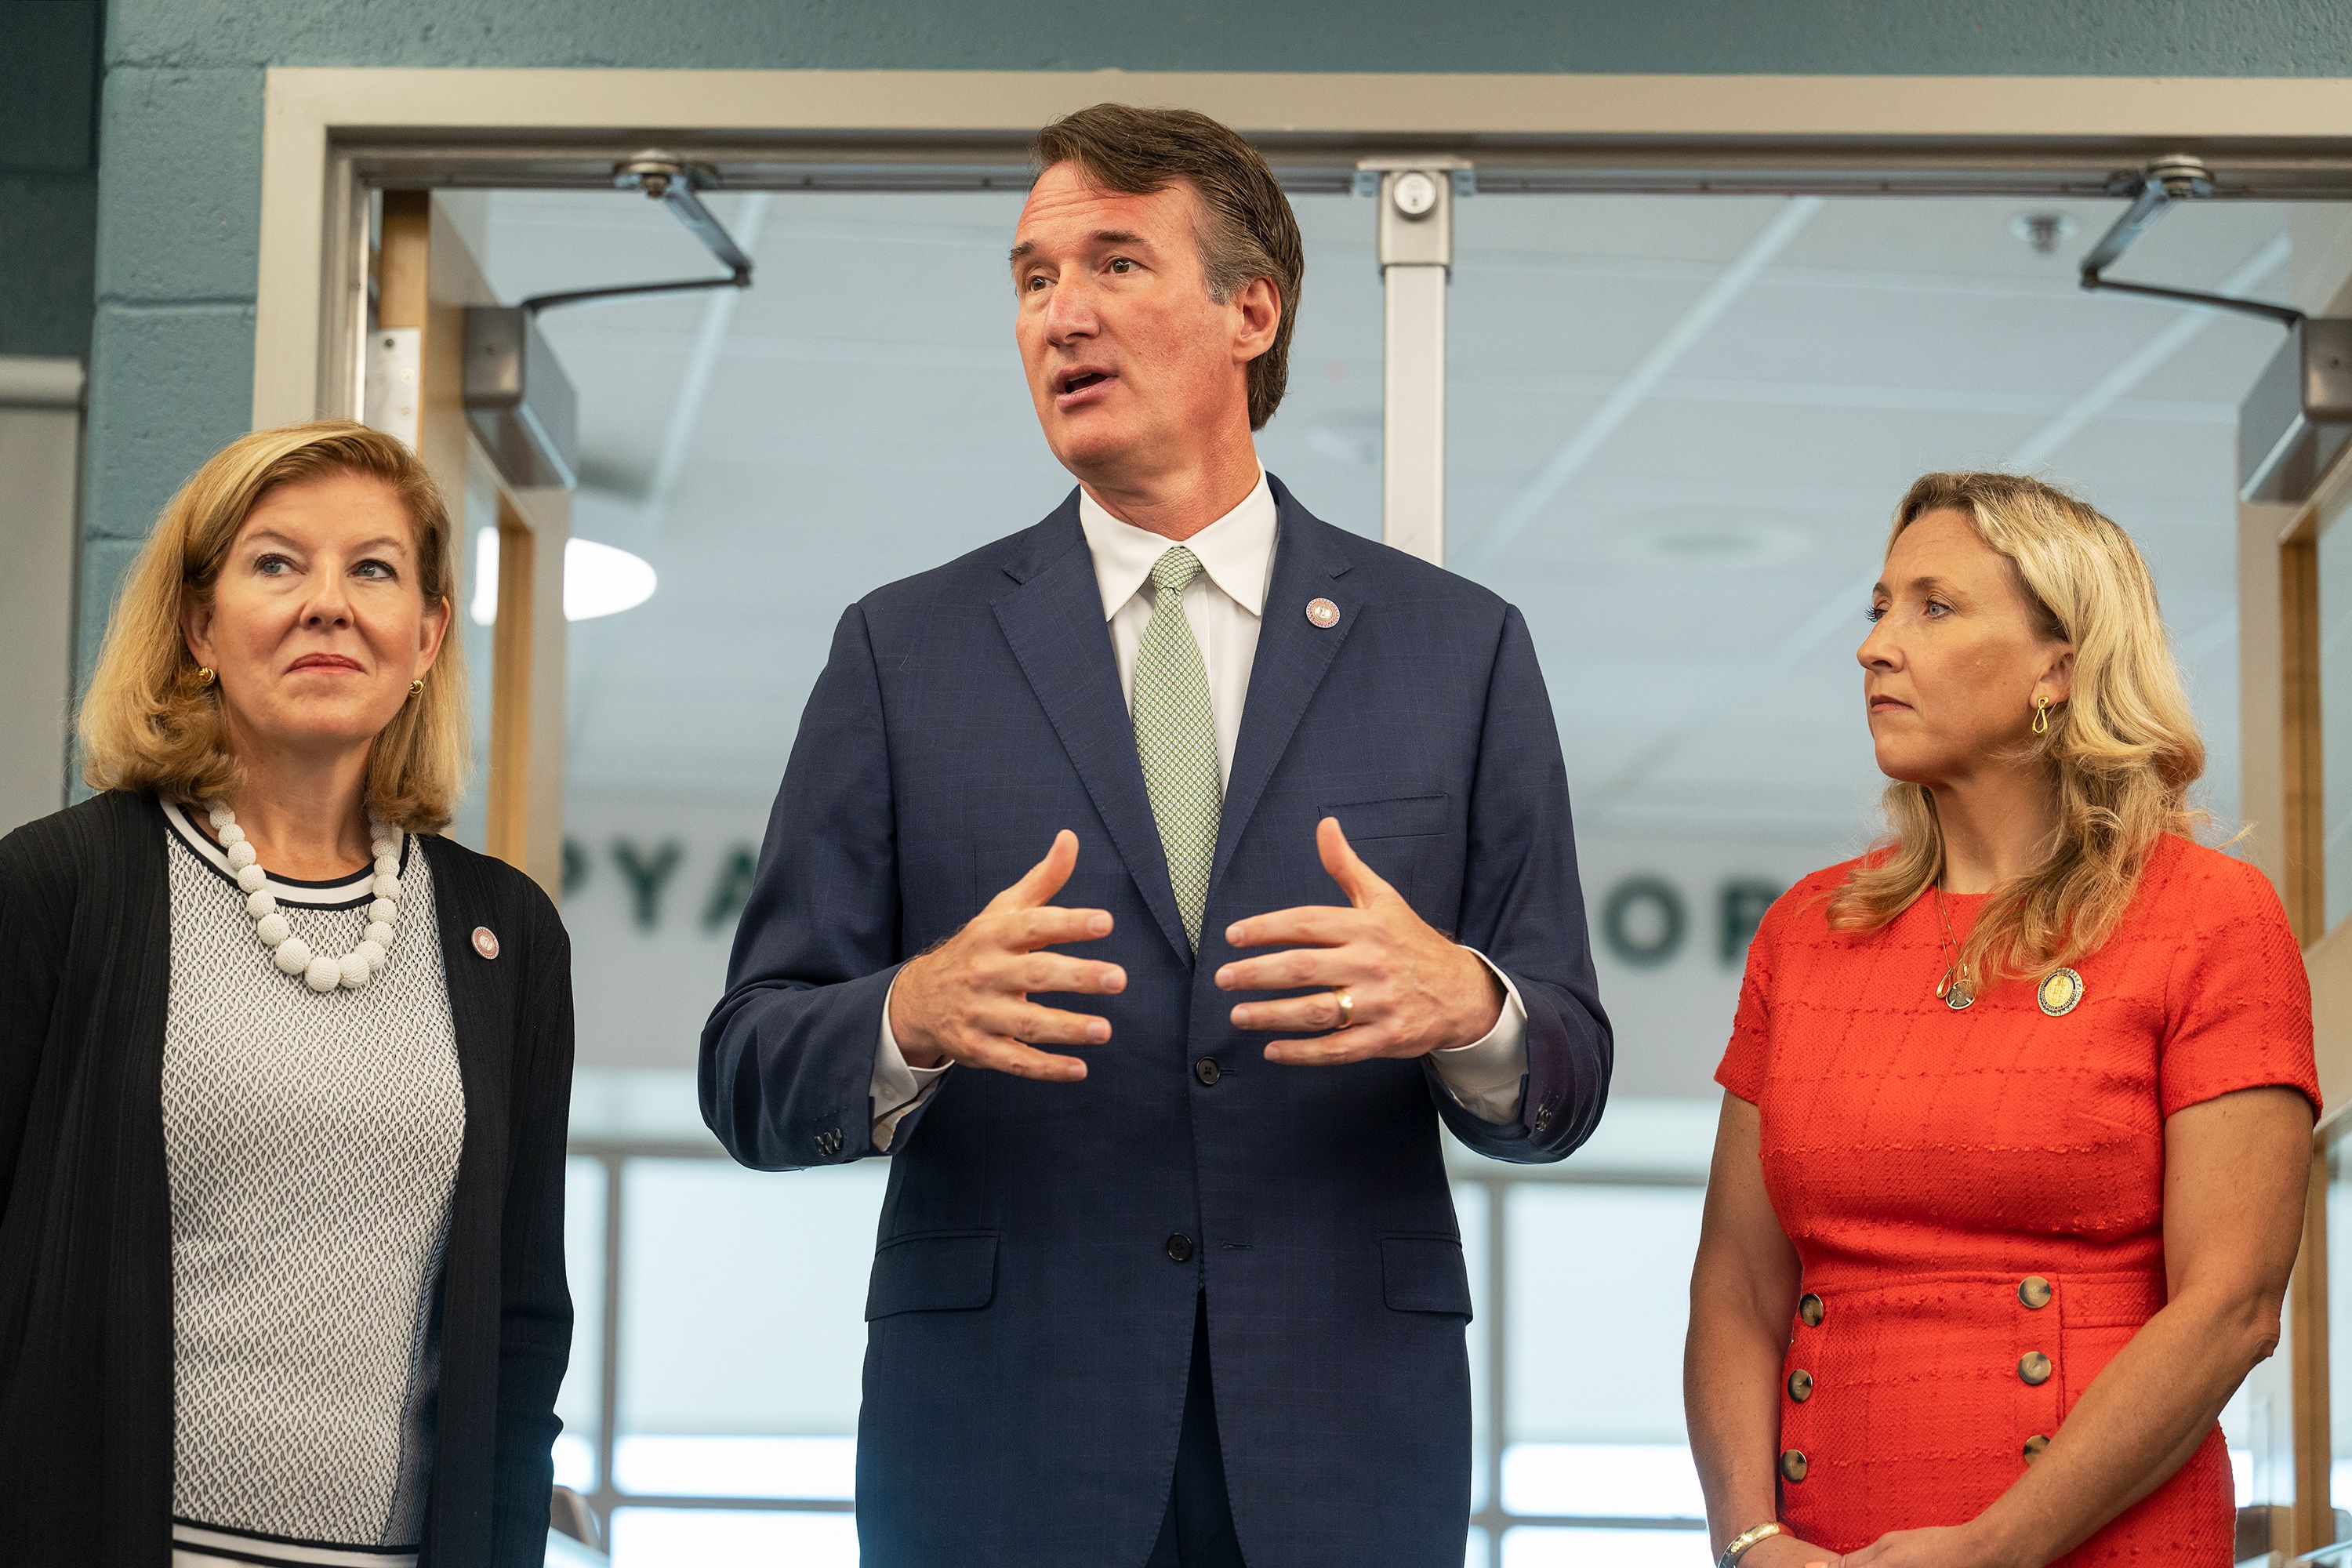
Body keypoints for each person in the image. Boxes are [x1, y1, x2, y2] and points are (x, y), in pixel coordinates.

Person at [702, 103, 1610, 1567]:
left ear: (1251, 309)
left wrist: (1472, 1008)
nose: (1060, 315)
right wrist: (907, 1016)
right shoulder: (902, 653)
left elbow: (1568, 1065)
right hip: (1002, 1449)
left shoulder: (1459, 651)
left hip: (1341, 1445)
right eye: (1031, 278)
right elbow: (746, 1069)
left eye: (1114, 264)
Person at [1684, 471, 2318, 1568]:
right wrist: (1748, 1541)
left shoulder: (2210, 917)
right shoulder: (1806, 930)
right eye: (1878, 607)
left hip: (2101, 1545)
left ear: (2060, 666)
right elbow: (1737, 1284)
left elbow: (2235, 1306)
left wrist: (1996, 1549)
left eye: (1934, 607)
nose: (1876, 645)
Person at [0, 422, 575, 1567]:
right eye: (277, 562)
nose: (329, 604)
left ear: (425, 635)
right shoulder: (60, 888)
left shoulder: (506, 937)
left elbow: (520, 1334)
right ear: (201, 626)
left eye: (373, 569)